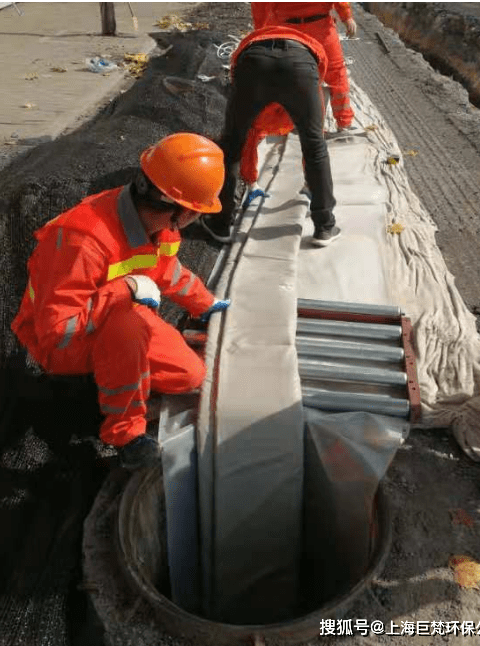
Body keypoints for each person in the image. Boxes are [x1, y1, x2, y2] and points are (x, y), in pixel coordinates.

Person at [11, 133, 231, 469]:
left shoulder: (163, 226)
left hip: (117, 317)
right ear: (179, 209)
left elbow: (169, 273)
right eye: (196, 214)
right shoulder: (82, 238)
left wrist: (205, 303)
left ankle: (116, 382)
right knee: (126, 330)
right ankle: (125, 435)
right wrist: (125, 290)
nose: (193, 222)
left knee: (189, 376)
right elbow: (57, 330)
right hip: (58, 341)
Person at [201, 26, 341, 248]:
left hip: (253, 62)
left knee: (232, 143)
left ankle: (220, 223)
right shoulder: (312, 51)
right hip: (301, 67)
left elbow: (236, 73)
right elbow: (321, 74)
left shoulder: (252, 43)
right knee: (315, 145)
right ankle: (324, 226)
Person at [251, 3, 357, 133]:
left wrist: (261, 31)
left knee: (291, 75)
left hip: (289, 29)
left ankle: (295, 122)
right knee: (335, 74)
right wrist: (346, 16)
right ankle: (343, 123)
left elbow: (260, 6)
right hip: (318, 28)